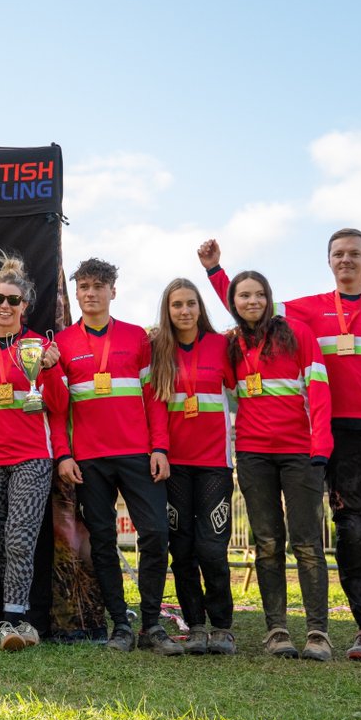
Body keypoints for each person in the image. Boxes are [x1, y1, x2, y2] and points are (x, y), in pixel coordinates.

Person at [200, 230, 361, 663]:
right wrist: (216, 271)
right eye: (338, 254)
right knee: (348, 531)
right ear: (328, 260)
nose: (346, 260)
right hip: (336, 435)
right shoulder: (307, 310)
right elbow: (247, 306)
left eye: (353, 254)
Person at [54, 258, 182, 656]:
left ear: (113, 291)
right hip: (89, 460)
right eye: (84, 287)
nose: (90, 293)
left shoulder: (137, 338)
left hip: (138, 454)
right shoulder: (60, 344)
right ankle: (120, 625)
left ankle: (151, 624)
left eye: (98, 286)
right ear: (76, 293)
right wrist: (63, 454)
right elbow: (57, 409)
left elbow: (154, 398)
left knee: (156, 534)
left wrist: (159, 446)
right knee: (104, 542)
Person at [220, 269, 334, 660]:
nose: (252, 302)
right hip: (252, 454)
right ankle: (277, 630)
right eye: (243, 296)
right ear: (233, 303)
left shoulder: (298, 333)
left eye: (258, 295)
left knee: (307, 543)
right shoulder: (229, 344)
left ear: (269, 298)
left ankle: (318, 632)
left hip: (300, 452)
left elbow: (319, 392)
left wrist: (321, 445)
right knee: (267, 544)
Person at [0, 250, 70, 651]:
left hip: (32, 456)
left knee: (21, 537)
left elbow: (59, 406)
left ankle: (12, 621)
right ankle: (20, 619)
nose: (4, 306)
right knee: (0, 538)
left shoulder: (40, 347)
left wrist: (52, 368)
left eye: (13, 300)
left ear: (25, 306)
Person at [148, 278, 236, 655]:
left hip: (215, 463)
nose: (184, 311)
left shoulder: (222, 345)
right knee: (181, 550)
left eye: (190, 304)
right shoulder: (158, 351)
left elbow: (240, 386)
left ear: (201, 308)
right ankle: (196, 626)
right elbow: (154, 406)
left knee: (212, 550)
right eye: (176, 305)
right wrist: (159, 449)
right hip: (175, 466)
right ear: (167, 312)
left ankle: (222, 626)